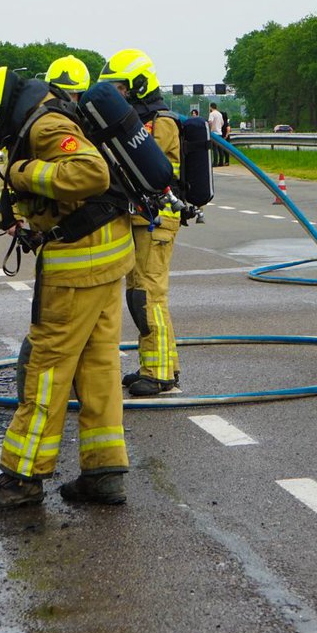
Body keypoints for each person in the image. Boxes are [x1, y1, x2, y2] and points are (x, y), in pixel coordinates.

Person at [0, 55, 135, 510]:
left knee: (46, 368)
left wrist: (22, 176)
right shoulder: (40, 108)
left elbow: (90, 173)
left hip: (80, 263)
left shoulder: (41, 125)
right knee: (97, 368)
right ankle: (104, 473)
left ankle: (22, 477)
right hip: (109, 253)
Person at [101, 49, 184, 396]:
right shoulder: (134, 121)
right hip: (140, 218)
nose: (116, 95)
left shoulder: (159, 123)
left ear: (137, 85)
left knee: (149, 295)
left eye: (119, 88)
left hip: (157, 219)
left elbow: (145, 166)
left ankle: (160, 372)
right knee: (139, 293)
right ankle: (159, 364)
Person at [207, 102, 226, 167]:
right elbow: (222, 123)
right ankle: (221, 162)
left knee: (214, 148)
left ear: (211, 107)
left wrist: (210, 129)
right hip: (219, 133)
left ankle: (215, 163)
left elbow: (210, 122)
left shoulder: (212, 114)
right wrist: (219, 127)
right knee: (220, 148)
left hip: (214, 133)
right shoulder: (220, 114)